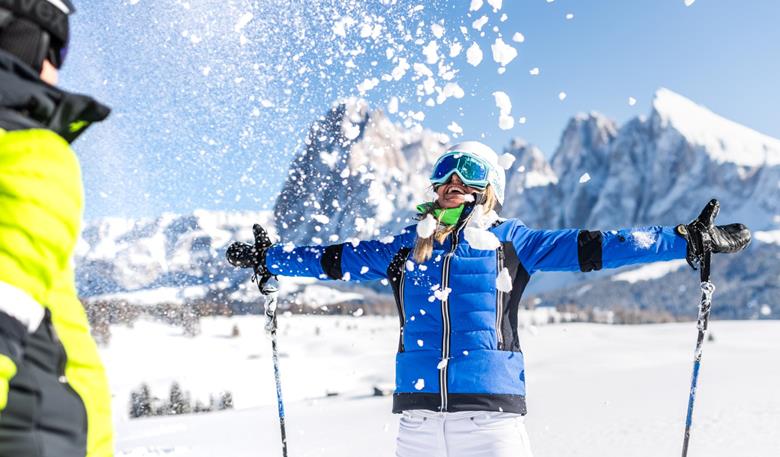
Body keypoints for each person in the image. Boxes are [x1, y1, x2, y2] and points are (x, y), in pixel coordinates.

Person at [227, 141, 751, 457]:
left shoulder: (512, 243)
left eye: (469, 173)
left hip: (492, 424)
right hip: (417, 426)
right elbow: (333, 260)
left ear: (490, 190)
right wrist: (270, 260)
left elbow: (597, 247)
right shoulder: (402, 249)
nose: (454, 182)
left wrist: (685, 239)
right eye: (445, 173)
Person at [0, 1, 113, 455]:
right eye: (58, 52)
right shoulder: (26, 148)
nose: (56, 71)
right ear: (27, 41)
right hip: (36, 431)